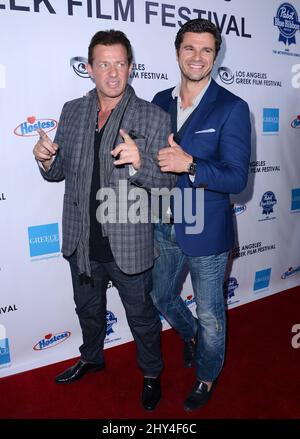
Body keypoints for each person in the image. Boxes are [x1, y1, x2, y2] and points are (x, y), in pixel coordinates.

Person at [33, 29, 175, 411]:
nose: (112, 73)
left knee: (142, 317)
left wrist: (142, 163)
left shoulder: (153, 115)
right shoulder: (72, 111)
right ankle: (92, 357)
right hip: (82, 238)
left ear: (131, 67)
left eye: (120, 64)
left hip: (128, 241)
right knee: (88, 309)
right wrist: (46, 160)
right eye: (103, 64)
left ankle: (150, 373)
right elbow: (60, 170)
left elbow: (167, 182)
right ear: (90, 68)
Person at [150, 18, 251, 412]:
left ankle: (207, 376)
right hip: (164, 222)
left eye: (206, 49)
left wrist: (190, 164)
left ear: (215, 55)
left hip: (207, 229)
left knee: (211, 314)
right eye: (189, 48)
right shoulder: (159, 101)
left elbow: (237, 177)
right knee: (161, 296)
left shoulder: (232, 107)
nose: (197, 57)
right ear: (177, 52)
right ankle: (189, 335)